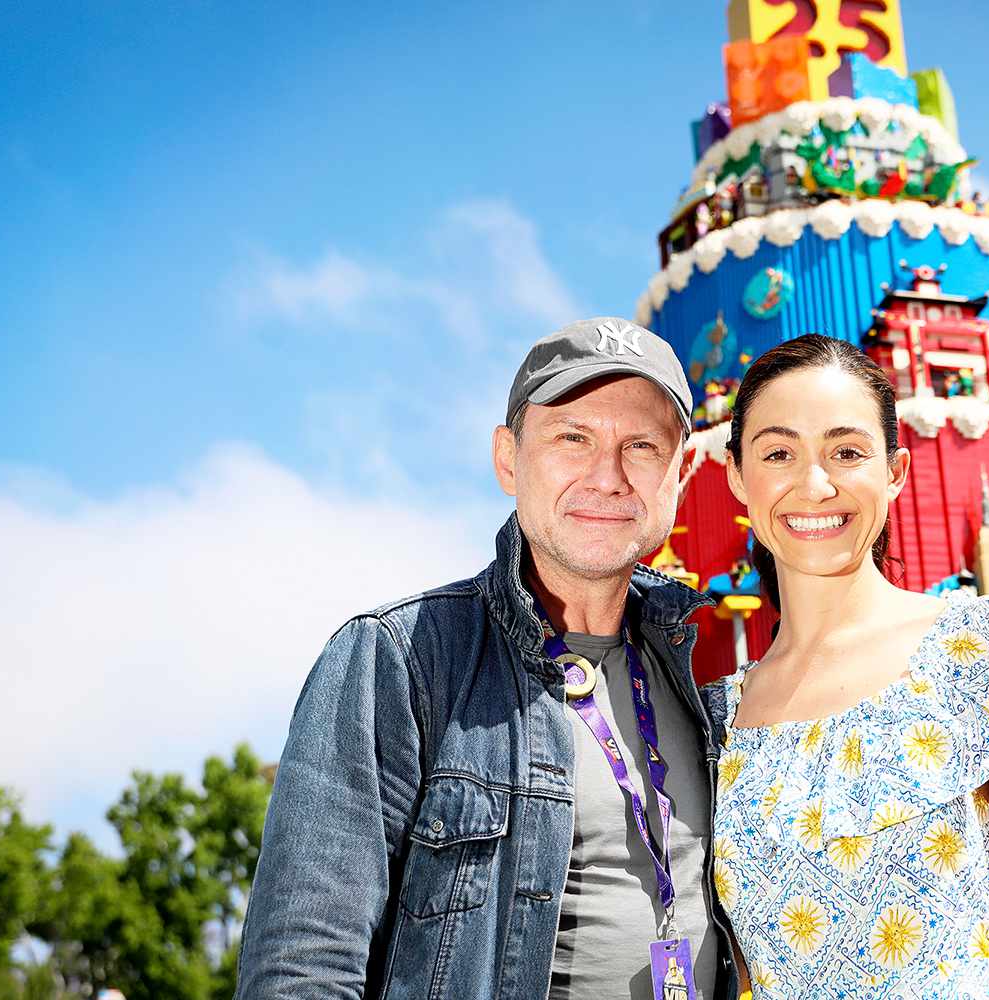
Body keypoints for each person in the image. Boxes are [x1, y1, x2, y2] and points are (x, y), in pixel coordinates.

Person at [236, 318, 734, 1000]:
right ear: (508, 458)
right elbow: (302, 969)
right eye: (573, 438)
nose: (608, 476)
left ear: (681, 472)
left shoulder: (710, 679)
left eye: (642, 447)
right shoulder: (399, 660)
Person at [704, 334, 989, 998]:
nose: (815, 485)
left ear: (895, 472)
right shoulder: (711, 720)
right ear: (736, 475)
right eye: (778, 454)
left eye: (846, 452)